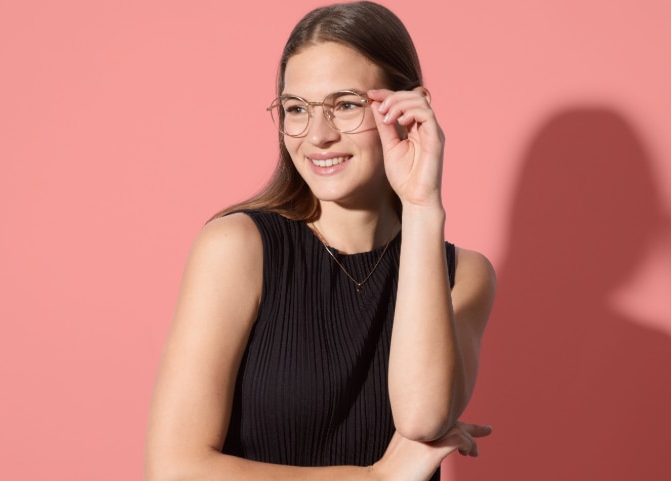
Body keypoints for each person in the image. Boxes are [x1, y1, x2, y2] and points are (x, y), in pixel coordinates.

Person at [145, 2, 496, 480]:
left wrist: (421, 206)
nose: (317, 135)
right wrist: (371, 479)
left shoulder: (465, 275)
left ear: (408, 108)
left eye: (346, 105)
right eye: (296, 109)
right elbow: (173, 470)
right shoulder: (238, 247)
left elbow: (421, 416)